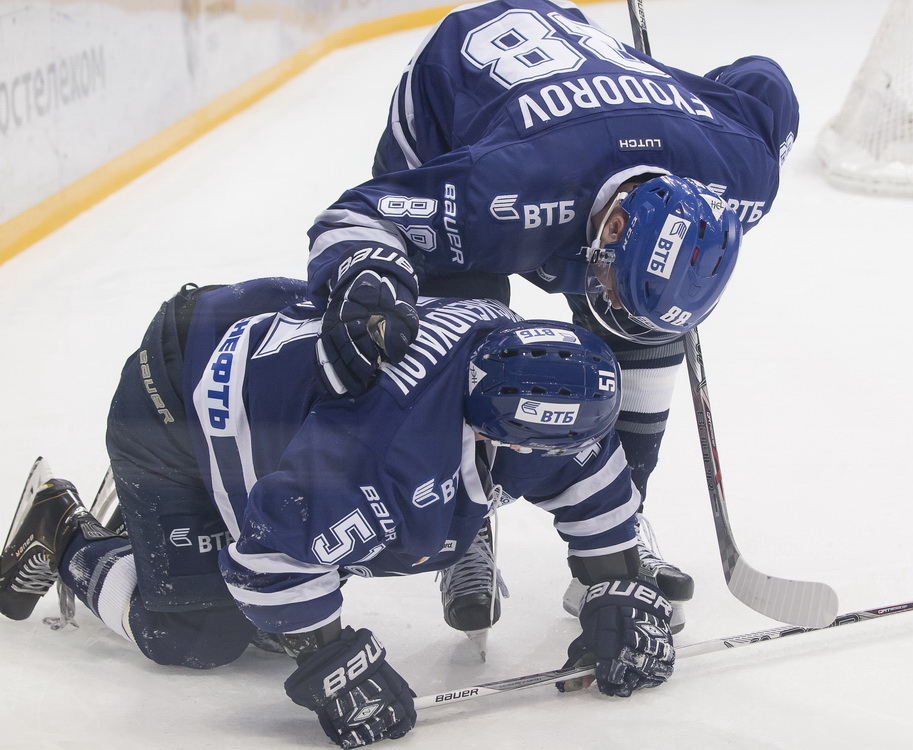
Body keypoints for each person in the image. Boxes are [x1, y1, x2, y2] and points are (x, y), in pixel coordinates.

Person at [0, 278, 675, 749]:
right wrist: (332, 666)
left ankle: (164, 530)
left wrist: (616, 587)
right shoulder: (383, 451)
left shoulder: (532, 377)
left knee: (294, 596)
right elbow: (268, 560)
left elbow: (590, 481)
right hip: (172, 400)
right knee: (200, 637)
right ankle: (62, 530)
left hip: (258, 367)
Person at [305, 0, 799, 621]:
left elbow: (764, 83)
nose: (612, 307)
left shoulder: (743, 171)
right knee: (463, 330)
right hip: (455, 98)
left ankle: (618, 529)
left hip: (601, 124)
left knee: (642, 336)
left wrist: (680, 102)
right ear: (612, 224)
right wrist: (369, 277)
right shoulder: (495, 193)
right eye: (614, 285)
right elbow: (356, 215)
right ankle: (467, 533)